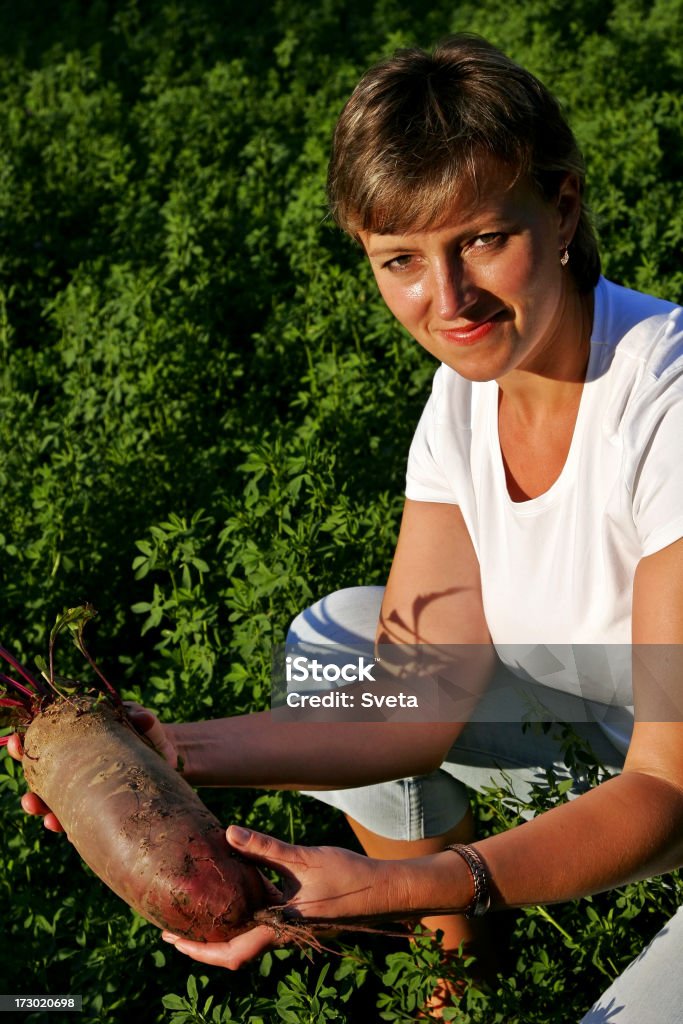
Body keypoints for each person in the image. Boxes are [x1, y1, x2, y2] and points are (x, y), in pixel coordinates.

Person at [10, 33, 683, 1021]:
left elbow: (665, 790)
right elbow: (420, 696)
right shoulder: (462, 400)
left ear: (564, 206)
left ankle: (458, 902)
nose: (444, 300)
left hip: (661, 777)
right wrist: (160, 751)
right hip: (609, 738)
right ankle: (454, 986)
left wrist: (414, 881)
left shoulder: (662, 403)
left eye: (481, 240)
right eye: (401, 259)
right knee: (338, 641)